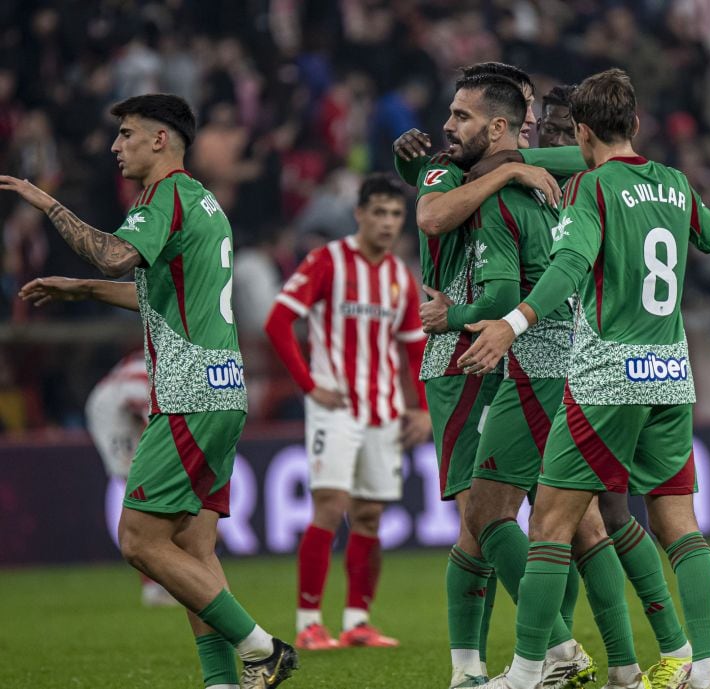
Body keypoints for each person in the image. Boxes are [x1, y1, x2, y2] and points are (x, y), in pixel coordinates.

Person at [11, 93, 297, 689]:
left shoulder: (163, 196)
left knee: (139, 540)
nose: (116, 147)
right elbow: (163, 290)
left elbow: (116, 257)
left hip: (190, 391)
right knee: (193, 549)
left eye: (126, 135)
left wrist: (46, 203)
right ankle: (222, 683)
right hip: (221, 389)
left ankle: (260, 647)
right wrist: (82, 291)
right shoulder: (203, 202)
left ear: (160, 140)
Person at [458, 69, 710, 689]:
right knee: (677, 524)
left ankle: (526, 674)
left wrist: (512, 324)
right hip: (670, 375)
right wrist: (675, 202)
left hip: (606, 376)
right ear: (634, 125)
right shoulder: (676, 183)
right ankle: (704, 668)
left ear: (581, 133)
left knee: (550, 522)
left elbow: (572, 263)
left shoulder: (592, 188)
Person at [419, 72, 598, 689]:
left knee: (510, 517)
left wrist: (518, 162)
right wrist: (508, 171)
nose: (451, 126)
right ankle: (475, 667)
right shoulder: (448, 167)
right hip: (464, 355)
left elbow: (586, 154)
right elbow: (433, 215)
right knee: (483, 522)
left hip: (499, 352)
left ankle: (556, 652)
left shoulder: (532, 167)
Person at [263, 173, 431, 650]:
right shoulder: (326, 261)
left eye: (395, 214)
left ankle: (358, 620)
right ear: (359, 214)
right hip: (334, 407)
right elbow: (278, 322)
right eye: (378, 212)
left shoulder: (400, 275)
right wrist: (310, 385)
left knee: (370, 516)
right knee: (330, 507)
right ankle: (309, 621)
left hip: (384, 410)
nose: (387, 222)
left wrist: (422, 411)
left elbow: (415, 350)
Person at [85, 350, 178, 608]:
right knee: (139, 488)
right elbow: (159, 431)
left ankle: (164, 578)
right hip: (111, 415)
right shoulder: (147, 380)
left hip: (127, 410)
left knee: (152, 488)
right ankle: (153, 587)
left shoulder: (165, 364)